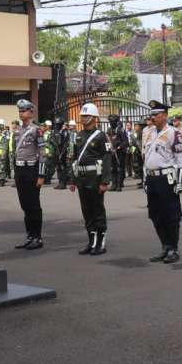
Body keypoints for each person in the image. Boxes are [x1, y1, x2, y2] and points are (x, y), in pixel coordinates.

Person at [142, 101, 182, 264]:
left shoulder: (174, 133)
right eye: (152, 115)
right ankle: (165, 246)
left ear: (165, 116)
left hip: (167, 179)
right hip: (152, 178)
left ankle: (173, 248)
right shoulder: (149, 133)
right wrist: (145, 179)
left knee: (171, 214)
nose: (153, 118)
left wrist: (180, 182)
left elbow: (181, 160)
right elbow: (146, 158)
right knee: (155, 214)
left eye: (156, 115)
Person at [68, 103, 115, 255]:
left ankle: (101, 243)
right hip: (82, 179)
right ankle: (91, 241)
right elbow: (75, 158)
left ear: (95, 118)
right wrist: (73, 180)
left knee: (97, 211)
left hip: (96, 179)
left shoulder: (101, 136)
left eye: (87, 116)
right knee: (86, 212)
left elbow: (107, 159)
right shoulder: (79, 136)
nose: (83, 118)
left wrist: (105, 181)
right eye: (82, 116)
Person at [11, 99, 46, 249]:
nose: (21, 113)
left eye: (23, 111)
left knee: (33, 205)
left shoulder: (36, 130)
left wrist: (41, 175)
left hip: (32, 170)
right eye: (19, 111)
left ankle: (37, 237)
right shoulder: (17, 130)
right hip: (20, 170)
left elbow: (42, 153)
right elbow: (15, 152)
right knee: (24, 205)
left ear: (31, 112)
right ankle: (29, 235)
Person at [106, 114, 128, 191]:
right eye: (110, 121)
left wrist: (119, 147)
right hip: (112, 152)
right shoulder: (109, 130)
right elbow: (107, 141)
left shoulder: (120, 130)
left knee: (119, 168)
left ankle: (119, 185)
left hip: (120, 152)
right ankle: (114, 185)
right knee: (112, 168)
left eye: (112, 121)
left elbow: (125, 141)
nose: (111, 123)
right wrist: (109, 148)